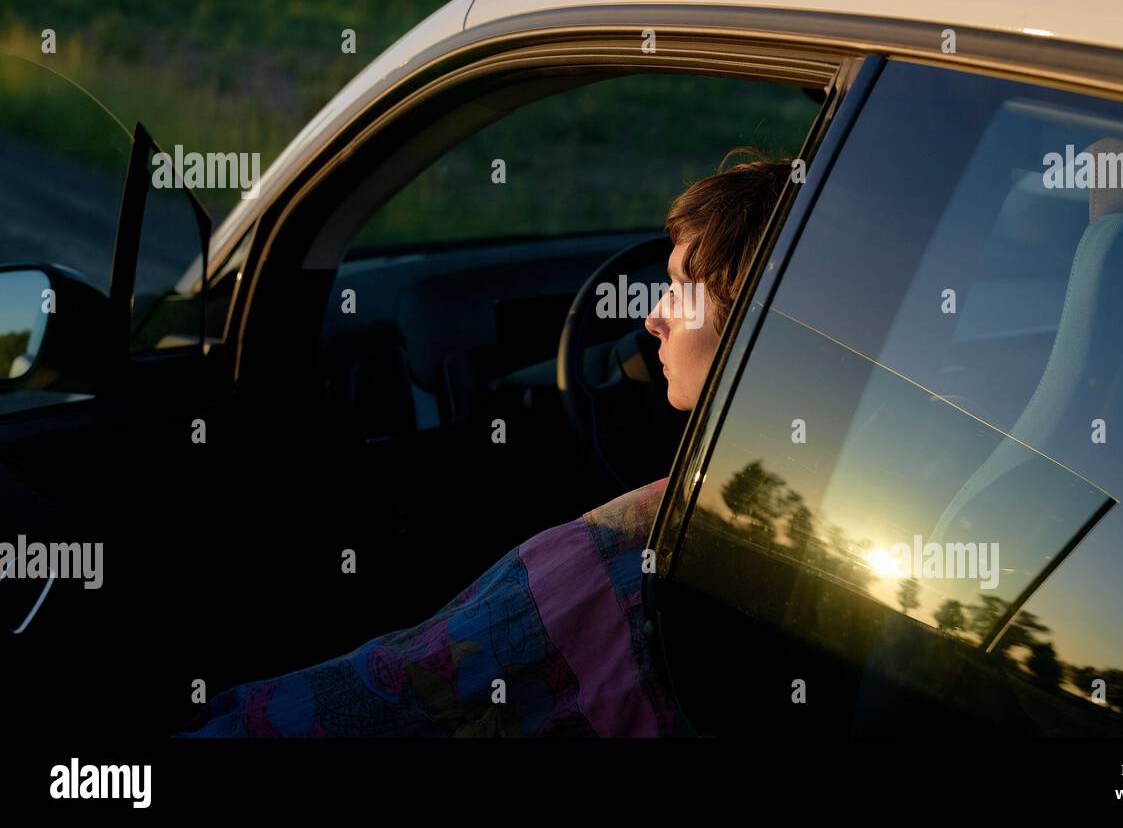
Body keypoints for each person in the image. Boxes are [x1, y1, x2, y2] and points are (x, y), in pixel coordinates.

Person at [177, 145, 794, 737]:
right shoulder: (791, 509)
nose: (651, 317)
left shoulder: (635, 550)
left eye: (682, 288)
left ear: (749, 318)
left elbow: (393, 692)